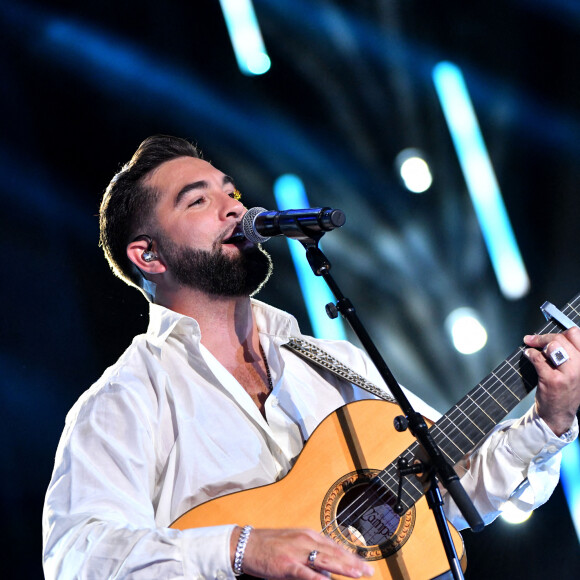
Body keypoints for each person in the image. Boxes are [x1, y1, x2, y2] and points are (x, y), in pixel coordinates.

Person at [42, 135, 580, 579]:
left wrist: (550, 420)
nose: (235, 206)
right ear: (148, 254)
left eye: (231, 192)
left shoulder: (332, 363)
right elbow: (77, 557)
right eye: (198, 200)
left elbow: (465, 487)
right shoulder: (126, 400)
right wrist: (240, 548)